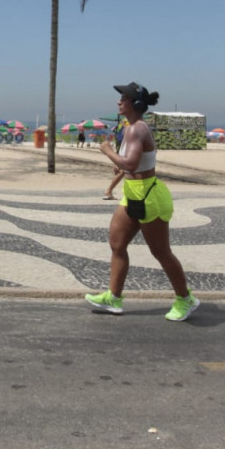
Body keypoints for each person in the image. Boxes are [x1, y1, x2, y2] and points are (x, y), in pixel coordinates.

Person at [85, 82, 199, 322]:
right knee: (117, 244)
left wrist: (107, 151)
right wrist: (120, 162)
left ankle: (185, 299)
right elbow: (129, 163)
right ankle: (113, 298)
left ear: (134, 104)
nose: (118, 102)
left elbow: (131, 164)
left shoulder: (138, 130)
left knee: (161, 253)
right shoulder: (129, 127)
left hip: (149, 196)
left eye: (123, 98)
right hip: (132, 193)